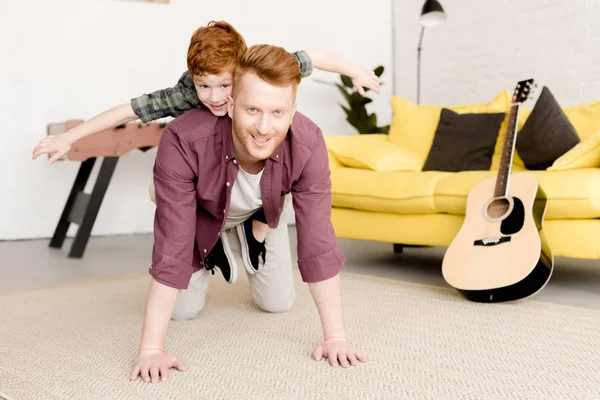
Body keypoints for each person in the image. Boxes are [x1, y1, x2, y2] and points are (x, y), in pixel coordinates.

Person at [130, 44, 367, 384]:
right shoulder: (183, 138)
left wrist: (336, 337)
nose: (264, 127)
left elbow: (317, 240)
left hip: (260, 213)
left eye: (277, 113)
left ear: (293, 110)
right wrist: (151, 348)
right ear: (230, 105)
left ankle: (244, 234)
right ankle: (217, 243)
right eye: (252, 110)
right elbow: (173, 243)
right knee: (183, 311)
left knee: (278, 303)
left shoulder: (309, 142)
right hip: (202, 217)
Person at [31, 20, 379, 164]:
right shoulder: (187, 94)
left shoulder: (256, 70)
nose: (213, 97)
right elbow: (128, 110)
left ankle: (258, 228)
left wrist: (357, 71)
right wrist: (71, 137)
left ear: (239, 74)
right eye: (204, 86)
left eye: (224, 86)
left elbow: (313, 57)